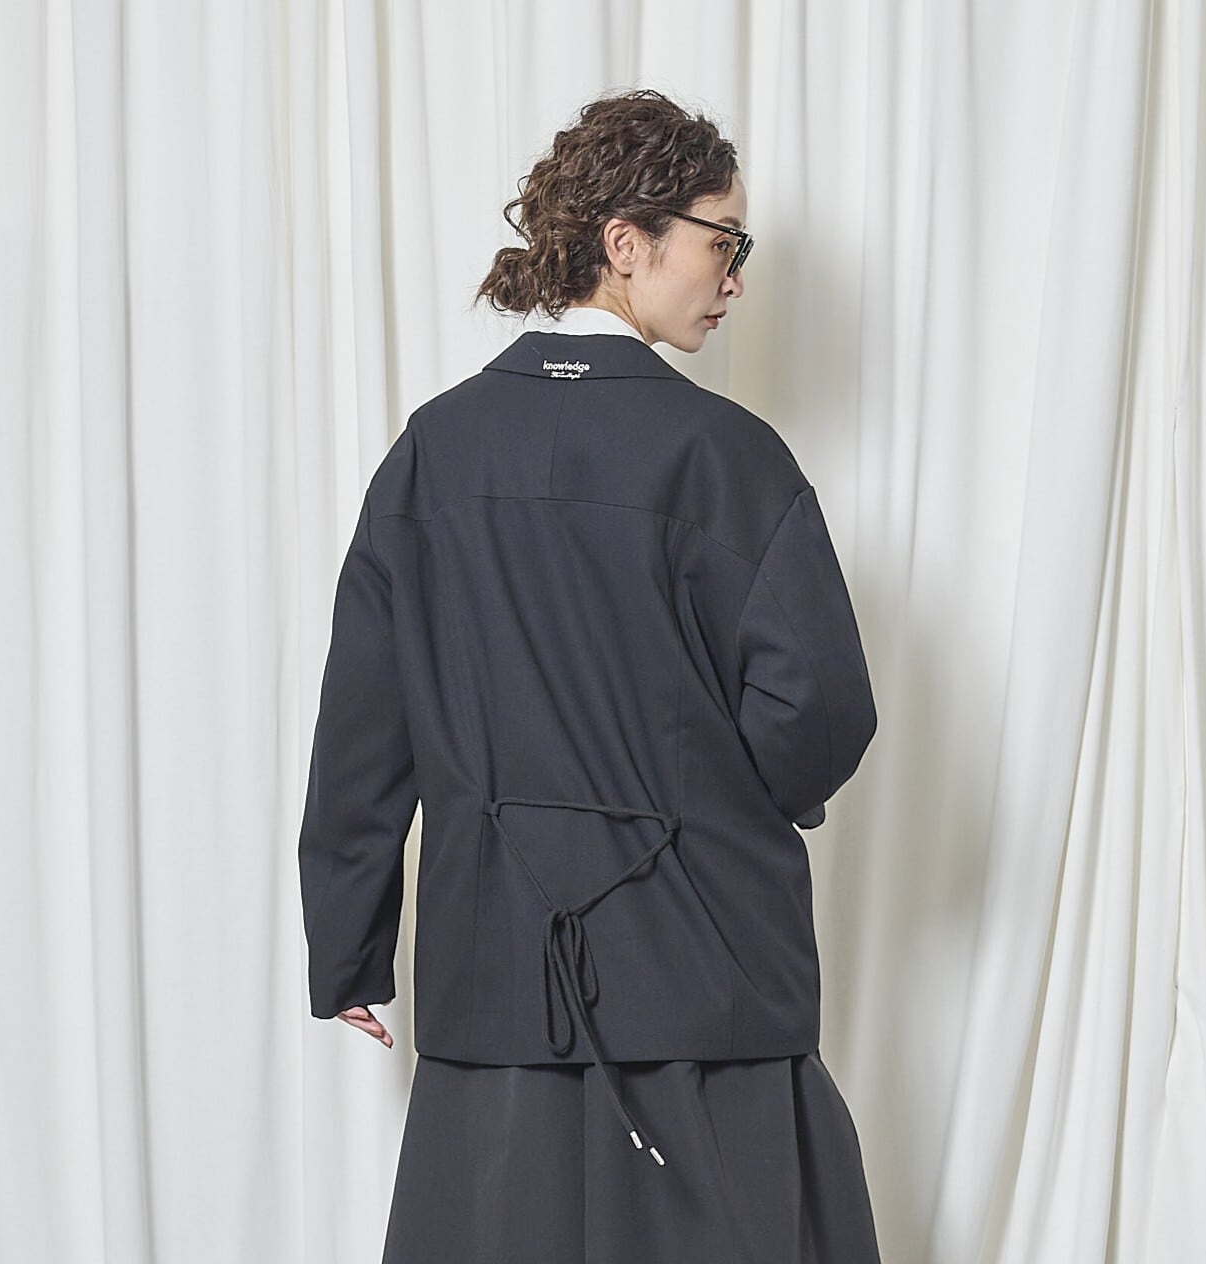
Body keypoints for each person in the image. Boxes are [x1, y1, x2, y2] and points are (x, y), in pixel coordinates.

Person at [298, 88, 883, 1263]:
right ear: (627, 242)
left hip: (495, 978)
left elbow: (367, 717)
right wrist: (735, 795)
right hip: (708, 975)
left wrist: (348, 939)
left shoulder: (432, 453)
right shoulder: (731, 458)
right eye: (723, 241)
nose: (734, 279)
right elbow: (819, 710)